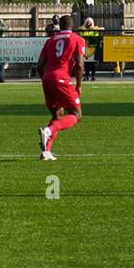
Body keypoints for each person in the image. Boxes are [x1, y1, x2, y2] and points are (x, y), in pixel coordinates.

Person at [36, 15, 86, 160]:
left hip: (47, 78)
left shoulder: (50, 40)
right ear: (72, 25)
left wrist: (45, 79)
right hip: (62, 78)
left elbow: (39, 65)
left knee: (57, 115)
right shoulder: (77, 39)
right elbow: (80, 65)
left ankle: (46, 151)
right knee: (77, 114)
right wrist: (78, 85)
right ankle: (49, 130)